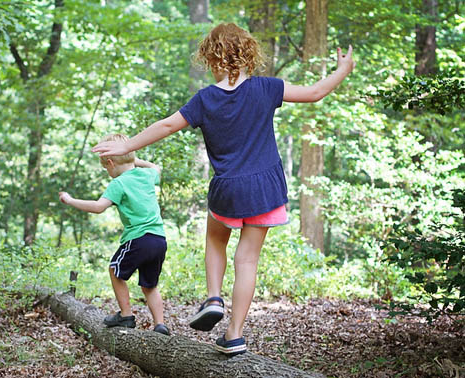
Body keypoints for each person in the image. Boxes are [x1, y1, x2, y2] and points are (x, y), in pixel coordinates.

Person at [92, 23, 355, 356]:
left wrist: (127, 144)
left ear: (210, 58)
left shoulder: (205, 99)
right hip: (266, 188)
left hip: (228, 190)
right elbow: (316, 92)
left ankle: (213, 296)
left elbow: (167, 125)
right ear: (247, 54)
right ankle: (234, 334)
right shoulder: (266, 88)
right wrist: (342, 69)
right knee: (247, 261)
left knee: (216, 239)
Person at [59, 133, 170, 336]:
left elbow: (98, 207)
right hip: (159, 239)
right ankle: (160, 324)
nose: (107, 171)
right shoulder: (146, 175)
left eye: (106, 168)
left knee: (114, 271)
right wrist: (131, 157)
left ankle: (126, 316)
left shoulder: (118, 183)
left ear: (110, 162)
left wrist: (71, 200)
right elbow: (157, 168)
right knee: (150, 285)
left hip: (138, 238)